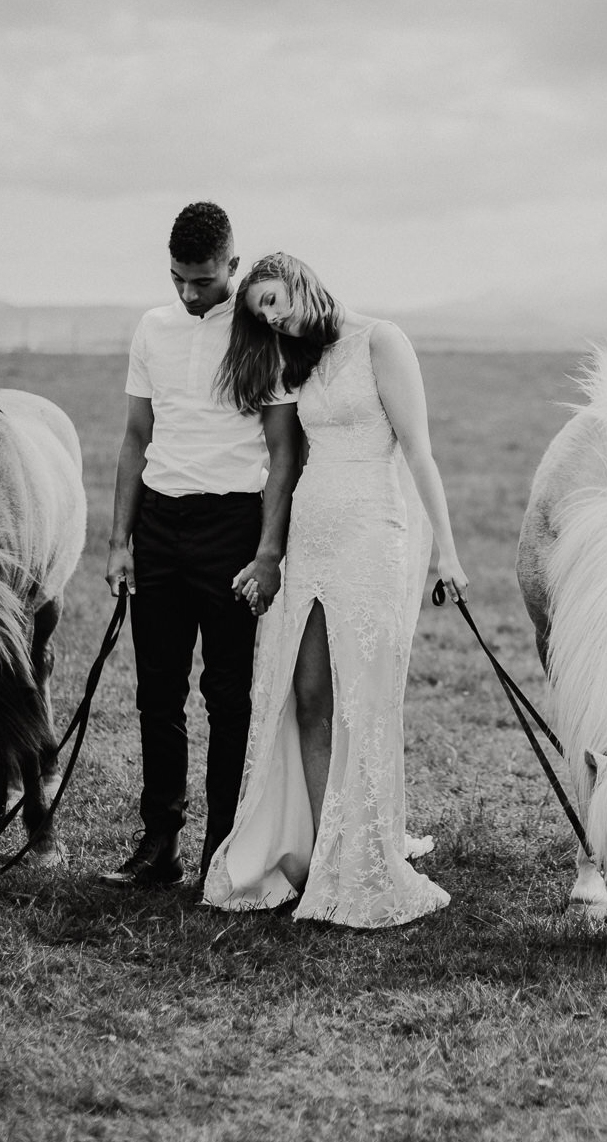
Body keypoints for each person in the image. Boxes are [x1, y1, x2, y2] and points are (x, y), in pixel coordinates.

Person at [202, 252, 467, 928]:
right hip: (312, 536)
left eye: (274, 298)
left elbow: (419, 450)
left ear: (300, 279)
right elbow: (287, 455)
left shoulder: (381, 340)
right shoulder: (301, 358)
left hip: (373, 533)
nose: (272, 314)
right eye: (259, 308)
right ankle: (325, 853)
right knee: (309, 693)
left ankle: (369, 857)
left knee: (363, 699)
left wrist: (448, 552)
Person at [101, 204, 302, 892]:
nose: (190, 294)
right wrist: (120, 540)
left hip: (231, 529)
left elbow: (282, 451)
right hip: (158, 524)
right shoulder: (152, 329)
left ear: (234, 267)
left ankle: (221, 845)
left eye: (205, 280)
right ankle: (159, 842)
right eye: (179, 279)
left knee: (227, 697)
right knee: (156, 695)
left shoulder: (260, 336)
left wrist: (269, 552)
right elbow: (135, 436)